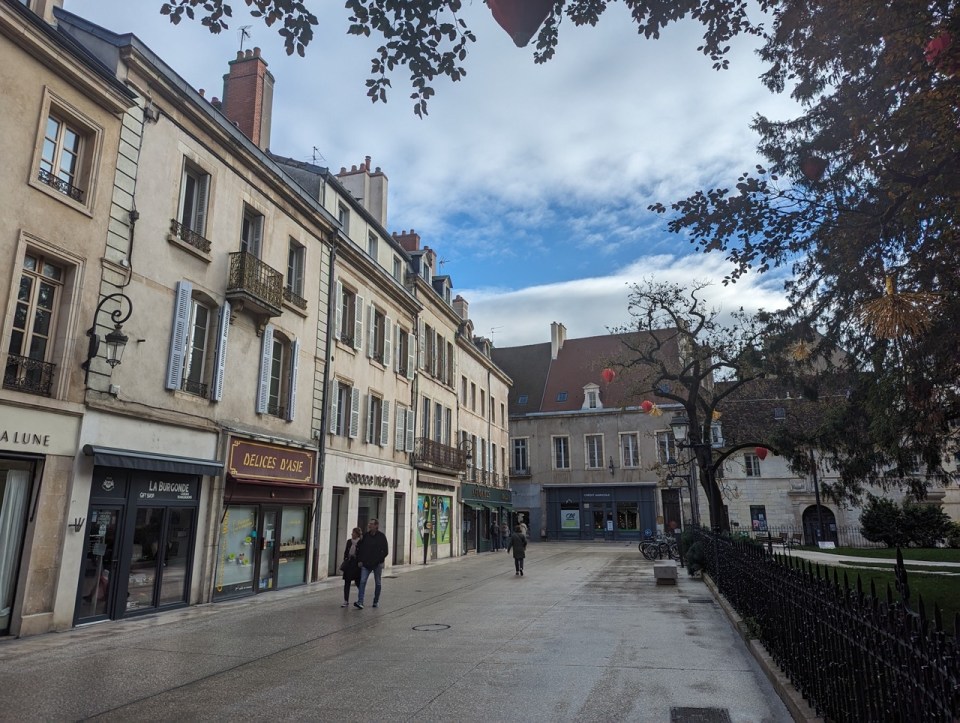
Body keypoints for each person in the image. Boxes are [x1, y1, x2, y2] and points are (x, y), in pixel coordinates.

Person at [354, 518, 389, 609]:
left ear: (376, 526)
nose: (369, 525)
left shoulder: (381, 537)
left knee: (378, 583)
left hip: (377, 564)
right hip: (366, 564)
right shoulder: (365, 536)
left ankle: (376, 601)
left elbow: (385, 551)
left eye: (371, 524)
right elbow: (360, 548)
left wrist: (379, 560)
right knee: (362, 581)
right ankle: (360, 601)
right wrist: (360, 560)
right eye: (369, 524)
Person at [339, 527, 362, 607]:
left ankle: (361, 599)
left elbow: (362, 554)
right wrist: (345, 559)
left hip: (356, 565)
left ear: (357, 534)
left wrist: (360, 561)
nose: (352, 534)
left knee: (358, 582)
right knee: (347, 582)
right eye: (352, 532)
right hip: (349, 563)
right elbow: (346, 552)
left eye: (354, 532)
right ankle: (346, 600)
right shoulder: (349, 542)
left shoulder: (361, 542)